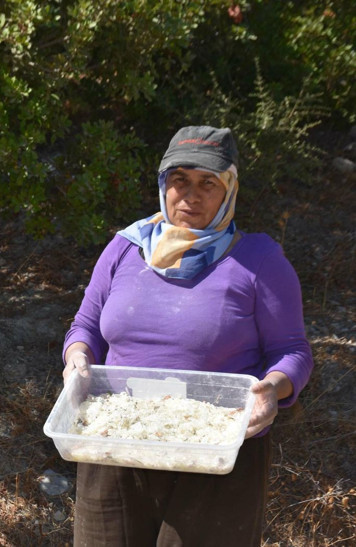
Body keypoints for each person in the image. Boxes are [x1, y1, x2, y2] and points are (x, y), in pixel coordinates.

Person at [62, 126, 313, 546]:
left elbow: (292, 351)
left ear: (229, 190)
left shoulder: (260, 261)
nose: (190, 196)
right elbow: (85, 325)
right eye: (180, 180)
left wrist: (271, 387)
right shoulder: (125, 249)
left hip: (216, 451)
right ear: (164, 184)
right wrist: (77, 357)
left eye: (207, 183)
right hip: (115, 439)